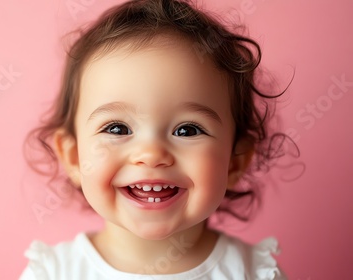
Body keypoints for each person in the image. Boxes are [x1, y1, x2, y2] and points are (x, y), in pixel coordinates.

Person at [20, 0, 291, 279]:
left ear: (234, 162)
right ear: (74, 157)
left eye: (187, 130)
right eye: (117, 129)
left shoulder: (253, 273)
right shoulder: (54, 273)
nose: (151, 154)